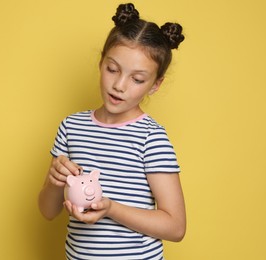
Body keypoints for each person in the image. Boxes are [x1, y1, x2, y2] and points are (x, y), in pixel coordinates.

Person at [38, 3, 186, 259]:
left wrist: (111, 209)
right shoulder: (71, 127)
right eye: (112, 69)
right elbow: (48, 211)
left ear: (155, 85)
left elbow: (175, 227)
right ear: (101, 62)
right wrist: (53, 183)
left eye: (137, 79)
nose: (119, 85)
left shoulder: (151, 138)